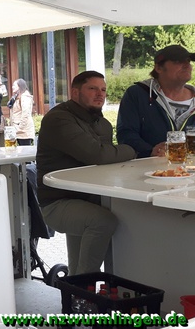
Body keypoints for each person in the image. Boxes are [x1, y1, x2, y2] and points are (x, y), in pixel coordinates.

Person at [36, 70, 136, 275]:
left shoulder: (102, 123)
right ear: (75, 92)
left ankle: (76, 289)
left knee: (77, 263)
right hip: (57, 202)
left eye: (103, 90)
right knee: (103, 221)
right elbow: (99, 155)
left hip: (88, 198)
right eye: (92, 88)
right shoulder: (59, 119)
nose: (100, 94)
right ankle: (84, 287)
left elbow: (106, 158)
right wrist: (133, 150)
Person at [117, 44, 195, 158]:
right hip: (149, 167)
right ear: (158, 68)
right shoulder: (137, 94)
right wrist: (150, 151)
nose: (187, 65)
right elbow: (126, 133)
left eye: (188, 61)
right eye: (178, 61)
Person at [9, 78, 35, 145]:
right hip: (17, 131)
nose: (12, 87)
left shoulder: (25, 97)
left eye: (14, 85)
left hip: (24, 132)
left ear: (19, 86)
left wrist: (20, 127)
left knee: (25, 150)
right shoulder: (16, 97)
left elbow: (25, 114)